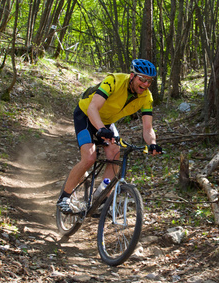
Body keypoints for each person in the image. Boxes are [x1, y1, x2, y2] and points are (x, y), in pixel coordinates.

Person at [57, 59, 162, 213]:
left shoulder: (146, 97)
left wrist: (152, 143)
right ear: (132, 76)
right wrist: (100, 128)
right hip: (86, 115)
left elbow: (148, 128)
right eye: (142, 79)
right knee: (89, 158)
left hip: (106, 122)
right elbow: (93, 107)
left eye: (149, 81)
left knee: (115, 155)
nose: (146, 84)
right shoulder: (114, 80)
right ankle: (64, 198)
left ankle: (100, 198)